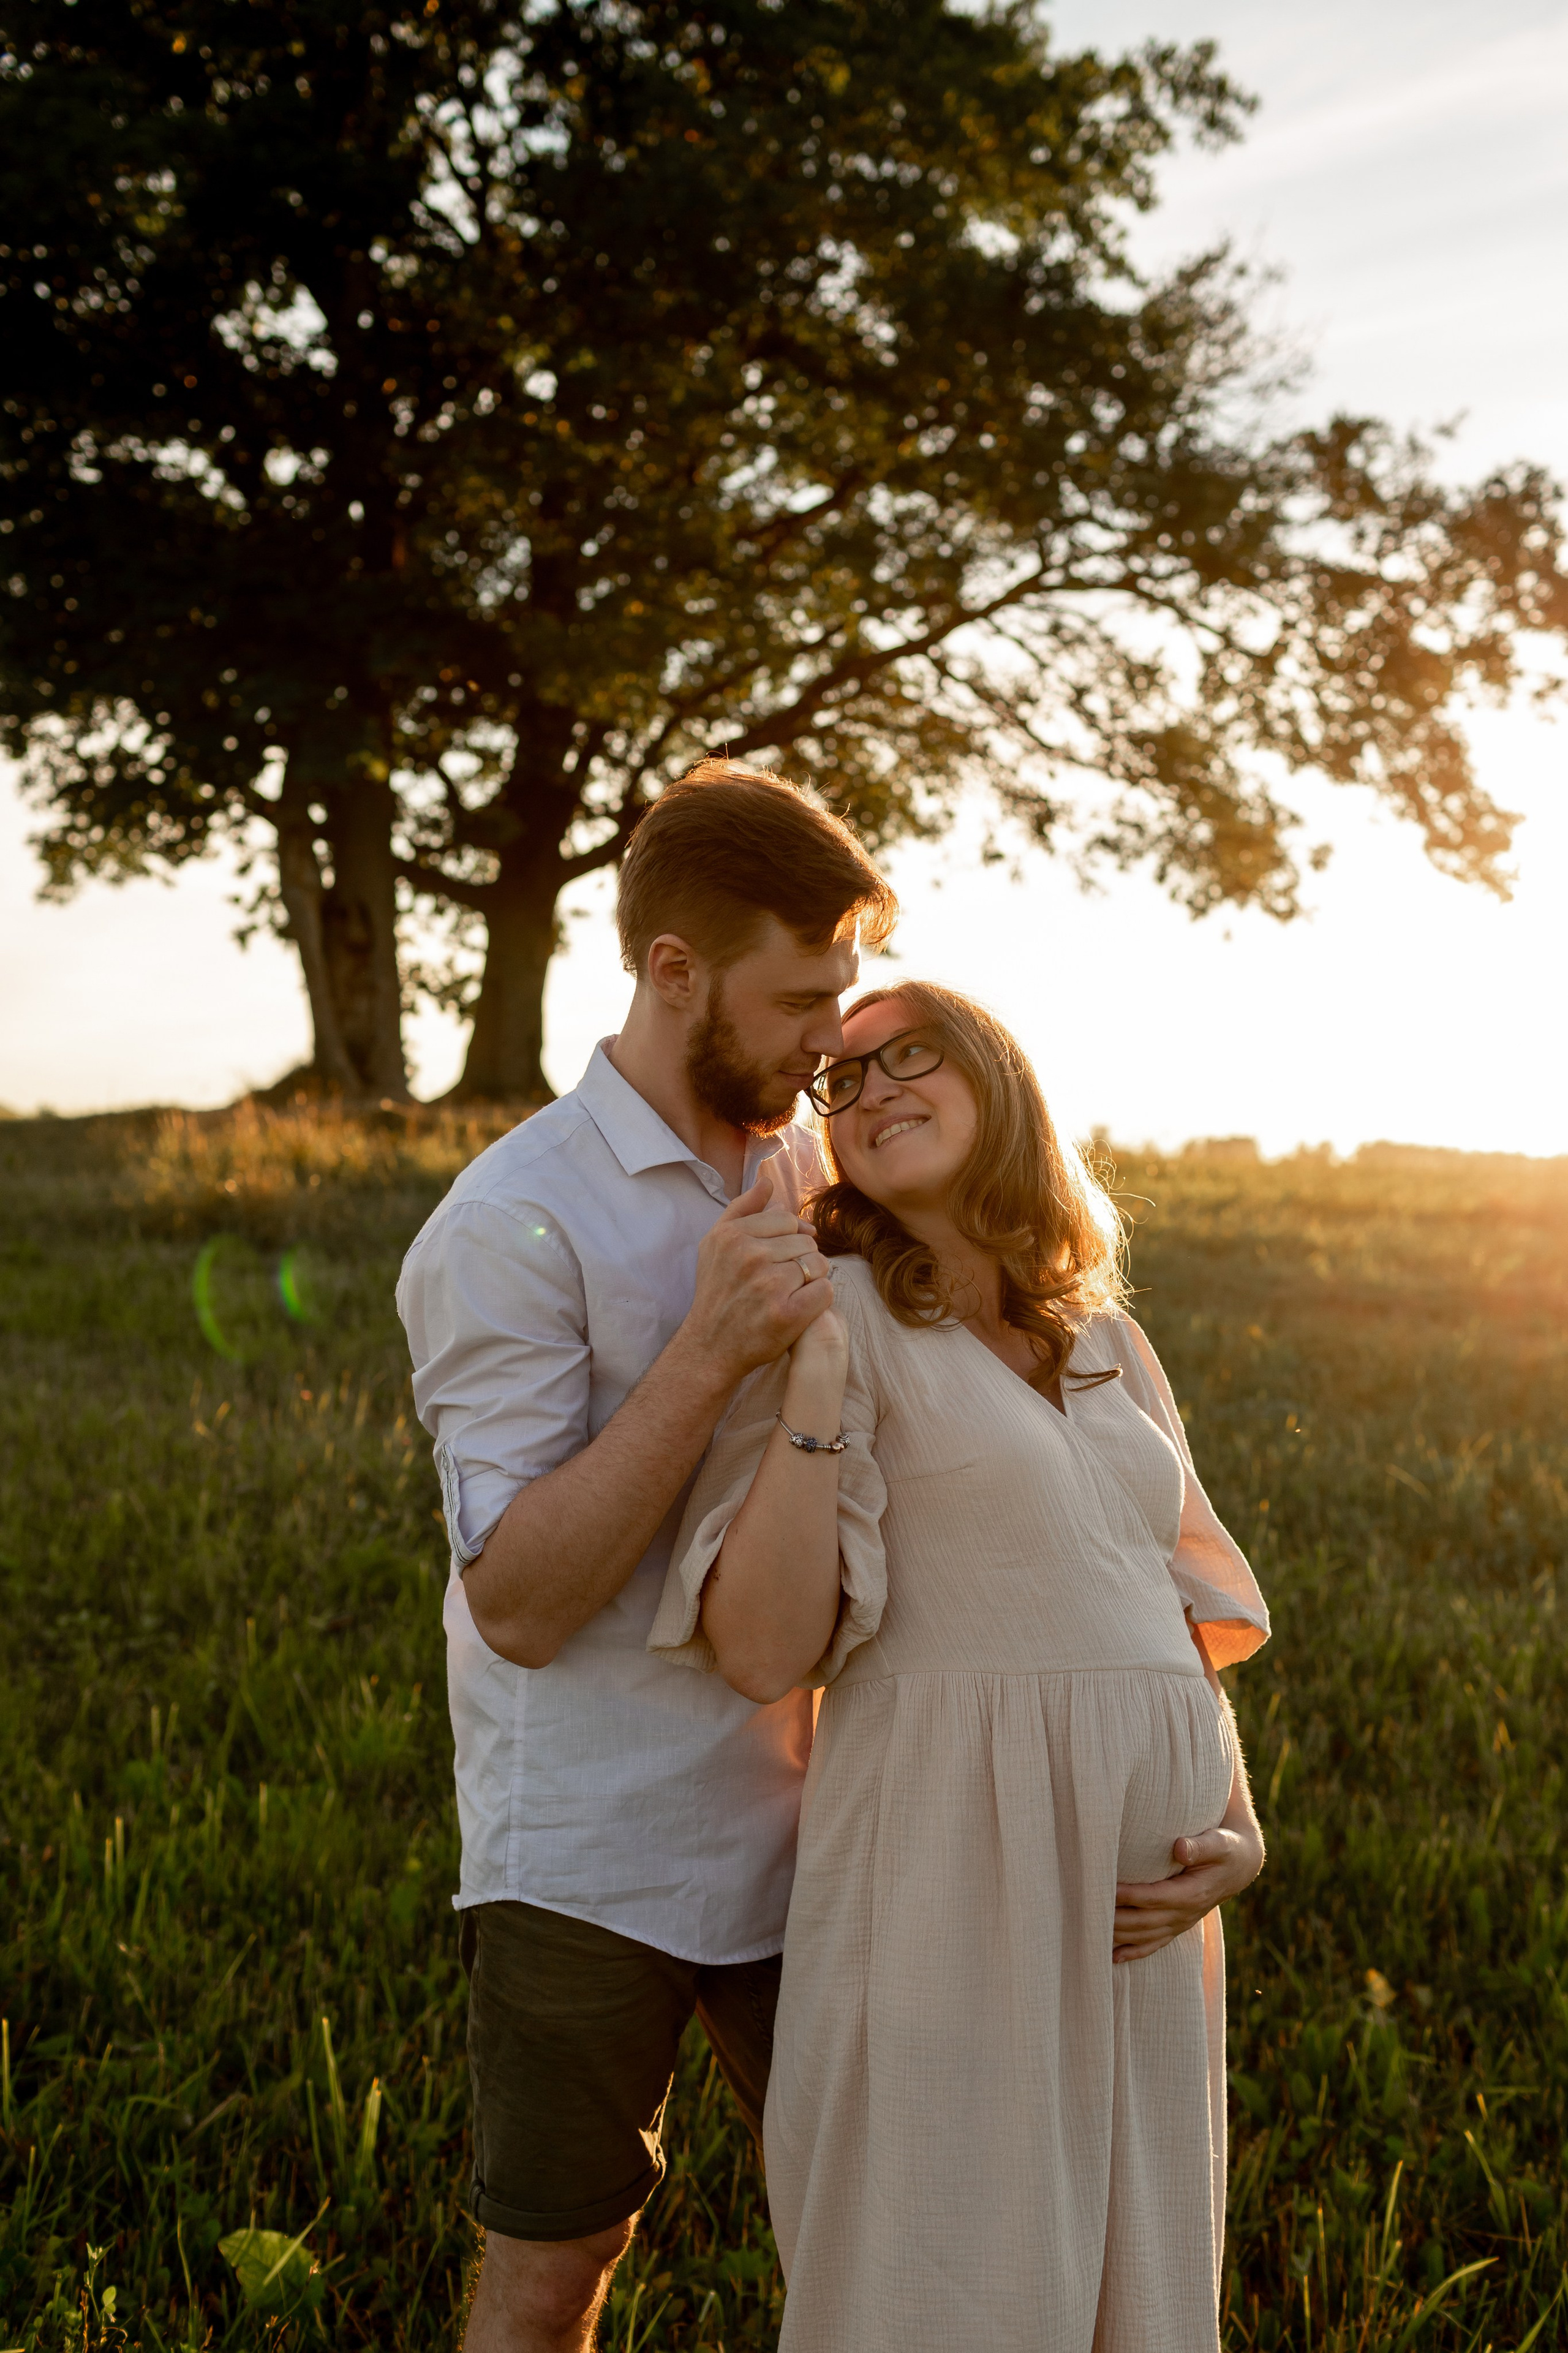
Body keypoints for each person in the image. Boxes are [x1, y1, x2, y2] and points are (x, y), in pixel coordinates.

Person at [650, 980, 1270, 2353]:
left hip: (1143, 1924)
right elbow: (760, 1648)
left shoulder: (1105, 1337)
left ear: (997, 1082)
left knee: (1139, 2291)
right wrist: (811, 1386)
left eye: (903, 1061)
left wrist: (1236, 1827)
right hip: (950, 1872)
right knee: (942, 2287)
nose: (865, 1096)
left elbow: (1164, 1601)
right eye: (841, 1083)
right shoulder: (842, 1314)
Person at [396, 761, 897, 2353]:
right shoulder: (507, 1220)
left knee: (894, 2222)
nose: (835, 1036)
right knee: (559, 2269)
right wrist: (705, 1351)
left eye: (848, 991)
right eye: (801, 995)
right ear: (673, 970)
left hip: (822, 1809)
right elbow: (521, 1604)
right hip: (591, 1839)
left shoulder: (814, 1169)